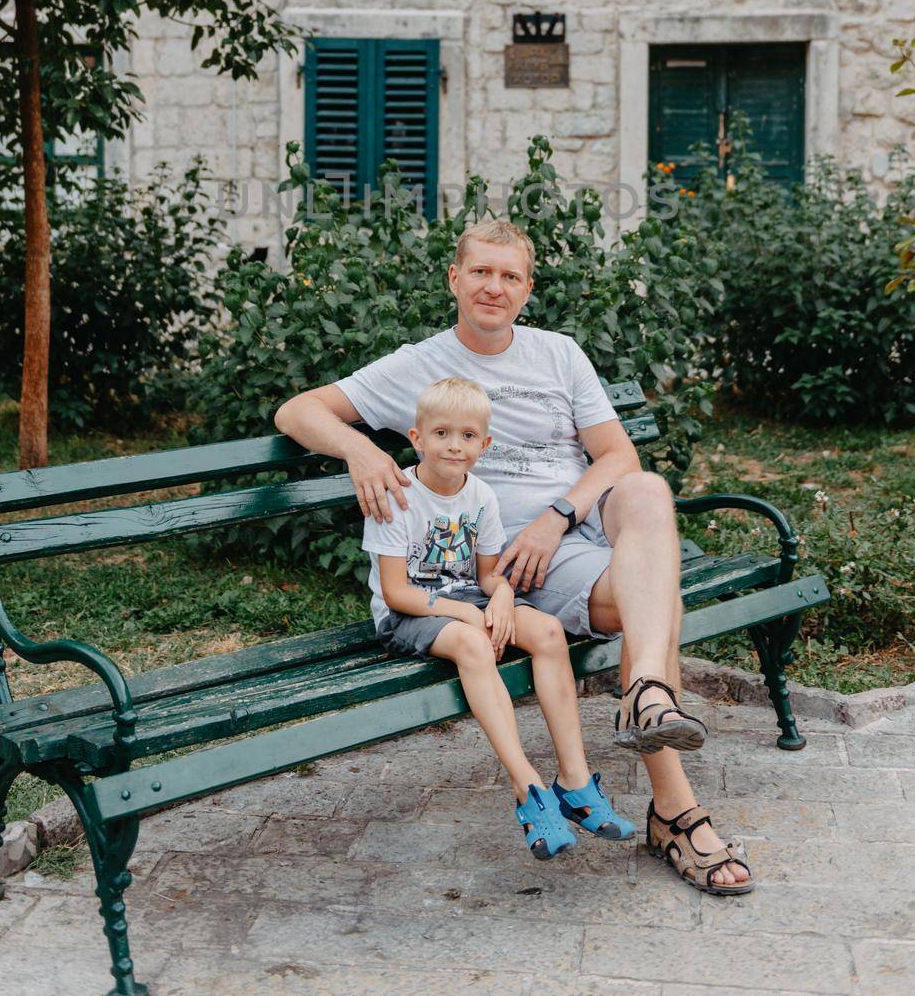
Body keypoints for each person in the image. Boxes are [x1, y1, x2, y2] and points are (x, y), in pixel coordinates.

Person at [275, 218, 753, 896]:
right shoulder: (419, 365)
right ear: (455, 279)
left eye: (509, 276)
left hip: (570, 532)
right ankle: (675, 809)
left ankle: (645, 691)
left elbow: (618, 454)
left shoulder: (558, 354)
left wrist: (559, 518)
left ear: (527, 289)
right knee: (660, 598)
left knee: (645, 488)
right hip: (509, 564)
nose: (493, 287)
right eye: (480, 272)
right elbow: (298, 412)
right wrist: (360, 448)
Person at [363, 373, 632, 858]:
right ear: (417, 438)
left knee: (547, 631)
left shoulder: (481, 495)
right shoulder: (398, 496)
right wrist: (467, 617)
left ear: (484, 444)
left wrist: (504, 594)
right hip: (409, 612)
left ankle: (574, 781)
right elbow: (396, 591)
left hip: (470, 597)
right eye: (441, 434)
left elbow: (487, 575)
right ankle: (527, 788)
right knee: (472, 644)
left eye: (467, 436)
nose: (453, 446)